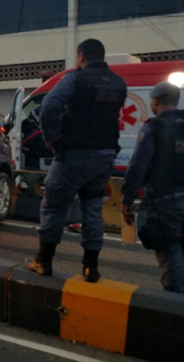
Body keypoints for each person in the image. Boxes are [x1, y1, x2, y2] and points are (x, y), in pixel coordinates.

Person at [24, 39, 127, 282]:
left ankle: (43, 260)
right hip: (105, 155)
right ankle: (91, 267)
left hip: (74, 156)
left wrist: (53, 140)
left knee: (53, 204)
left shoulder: (74, 78)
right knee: (92, 207)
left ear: (81, 55)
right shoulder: (118, 82)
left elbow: (49, 105)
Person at [121, 82, 184, 294]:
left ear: (156, 101)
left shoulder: (153, 128)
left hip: (164, 201)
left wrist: (127, 201)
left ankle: (175, 305)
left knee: (170, 251)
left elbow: (137, 168)